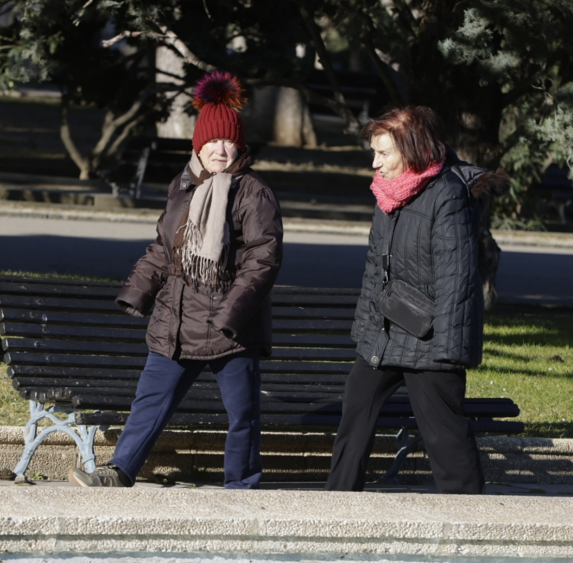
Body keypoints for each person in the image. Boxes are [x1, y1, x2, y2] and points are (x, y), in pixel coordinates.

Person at [69, 71, 283, 489]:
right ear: (198, 145)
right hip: (177, 316)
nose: (221, 150)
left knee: (243, 414)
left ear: (239, 145)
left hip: (230, 325)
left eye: (228, 142)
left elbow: (264, 258)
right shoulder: (182, 186)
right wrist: (137, 291)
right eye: (212, 141)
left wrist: (232, 312)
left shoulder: (253, 191)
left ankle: (241, 487)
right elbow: (164, 248)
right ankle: (120, 470)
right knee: (149, 402)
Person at [324, 105, 508, 494]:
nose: (376, 162)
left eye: (384, 152)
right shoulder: (386, 195)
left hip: (430, 339)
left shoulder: (447, 194)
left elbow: (457, 279)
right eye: (374, 152)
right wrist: (365, 331)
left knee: (444, 434)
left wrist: (449, 350)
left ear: (411, 148)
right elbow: (375, 268)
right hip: (388, 330)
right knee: (356, 408)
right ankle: (337, 504)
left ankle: (470, 517)